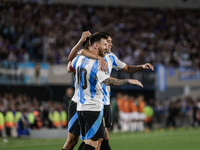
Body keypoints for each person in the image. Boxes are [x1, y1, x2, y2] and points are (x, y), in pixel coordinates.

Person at [65, 31, 154, 150]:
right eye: (107, 42)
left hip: (99, 103)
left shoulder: (106, 57)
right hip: (88, 104)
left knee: (100, 138)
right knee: (86, 141)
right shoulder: (94, 61)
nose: (110, 45)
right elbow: (107, 80)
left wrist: (141, 66)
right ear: (97, 45)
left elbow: (126, 67)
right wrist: (129, 81)